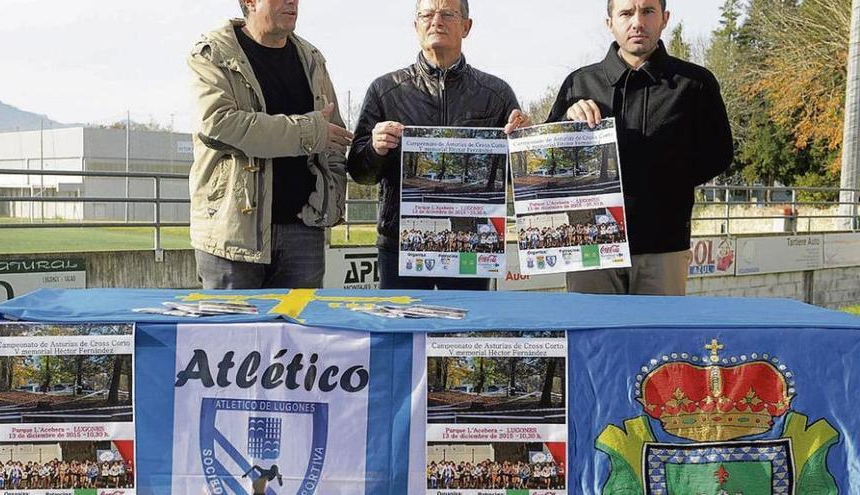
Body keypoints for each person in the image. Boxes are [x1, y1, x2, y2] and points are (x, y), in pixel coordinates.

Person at [547, 0, 733, 295]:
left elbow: (719, 154)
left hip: (663, 247)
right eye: (625, 13)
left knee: (658, 339)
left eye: (647, 11)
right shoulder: (579, 84)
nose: (637, 22)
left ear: (665, 19)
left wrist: (662, 181)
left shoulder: (695, 84)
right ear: (609, 23)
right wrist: (566, 120)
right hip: (590, 249)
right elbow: (547, 157)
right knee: (594, 338)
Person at [347, 0, 527, 290]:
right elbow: (359, 173)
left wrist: (523, 146)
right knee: (402, 332)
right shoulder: (385, 90)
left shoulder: (496, 94)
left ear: (466, 26)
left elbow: (514, 178)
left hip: (471, 243)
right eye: (427, 14)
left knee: (463, 333)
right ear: (416, 25)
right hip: (400, 246)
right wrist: (374, 149)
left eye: (447, 14)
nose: (436, 21)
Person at [188, 0, 352, 290]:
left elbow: (334, 138)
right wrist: (308, 131)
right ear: (250, 2)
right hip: (233, 236)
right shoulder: (213, 53)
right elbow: (219, 125)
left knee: (300, 333)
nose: (293, 2)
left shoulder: (312, 59)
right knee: (233, 335)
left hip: (303, 231)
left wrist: (331, 201)